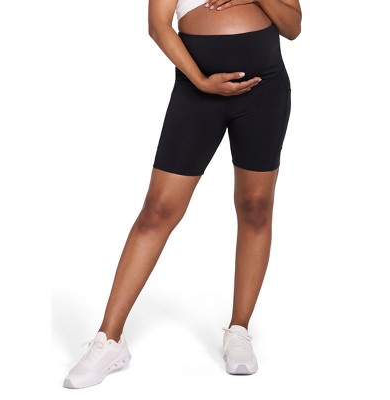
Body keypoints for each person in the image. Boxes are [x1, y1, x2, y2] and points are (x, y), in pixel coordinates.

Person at [63, 0, 302, 389]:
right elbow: (158, 25)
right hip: (197, 92)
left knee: (256, 207)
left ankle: (239, 330)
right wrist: (201, 80)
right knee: (158, 211)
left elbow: (292, 27)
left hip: (265, 92)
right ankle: (109, 339)